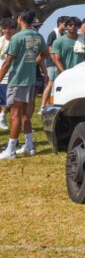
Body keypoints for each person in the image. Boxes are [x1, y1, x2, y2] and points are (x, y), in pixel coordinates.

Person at [0, 10, 48, 159]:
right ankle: (29, 146)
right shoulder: (38, 36)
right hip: (31, 80)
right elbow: (46, 53)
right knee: (24, 115)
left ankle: (11, 150)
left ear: (20, 19)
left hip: (17, 80)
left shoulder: (17, 37)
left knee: (15, 115)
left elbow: (8, 62)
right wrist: (33, 63)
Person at [0, 18, 15, 131]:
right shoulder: (0, 40)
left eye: (10, 28)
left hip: (11, 75)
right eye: (5, 28)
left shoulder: (16, 41)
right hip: (1, 74)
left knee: (8, 101)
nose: (7, 31)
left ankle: (2, 117)